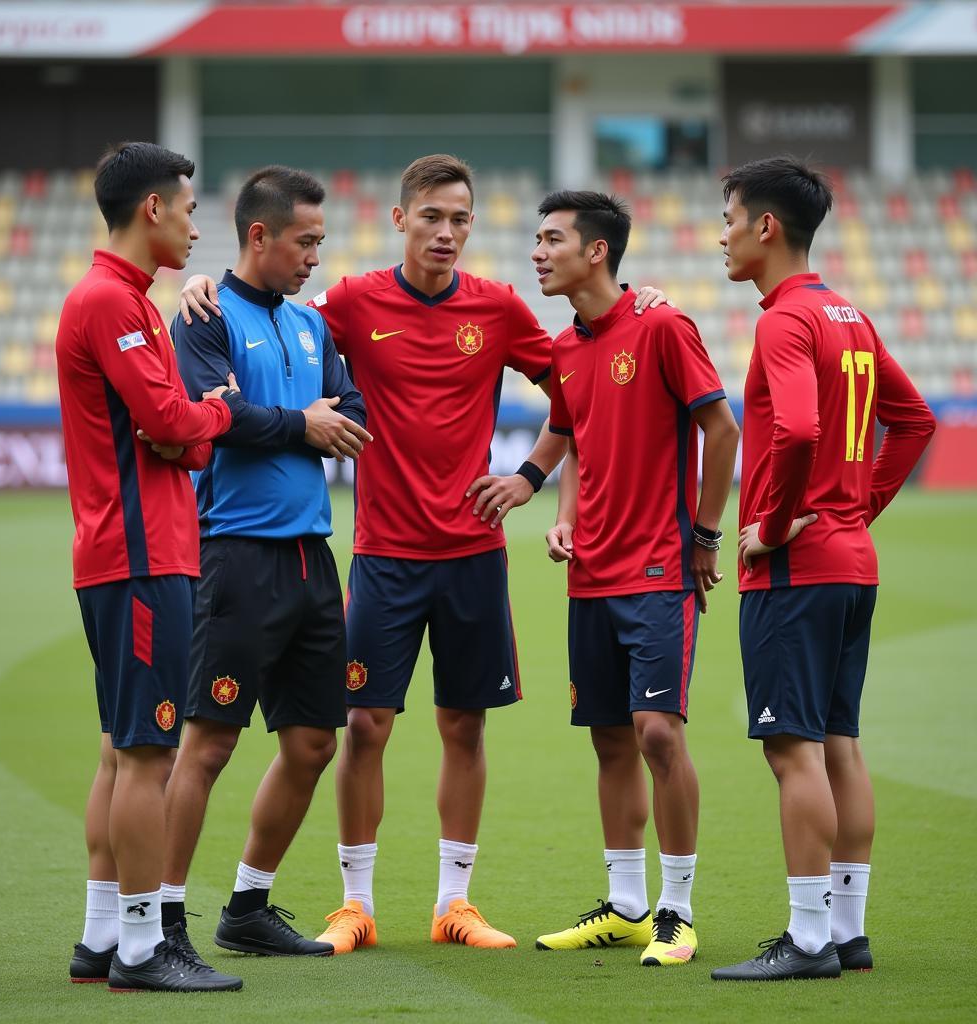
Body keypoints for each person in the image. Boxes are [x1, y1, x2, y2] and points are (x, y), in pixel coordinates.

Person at [179, 154, 668, 952]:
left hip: (473, 553)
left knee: (463, 728)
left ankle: (454, 904)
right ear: (400, 219)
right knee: (364, 725)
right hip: (383, 555)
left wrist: (528, 477)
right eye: (433, 216)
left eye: (461, 219)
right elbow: (263, 302)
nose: (447, 232)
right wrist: (201, 285)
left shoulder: (501, 309)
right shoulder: (349, 303)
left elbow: (577, 388)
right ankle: (356, 902)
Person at [710, 157, 936, 982]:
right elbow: (913, 422)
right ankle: (849, 931)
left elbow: (799, 429)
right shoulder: (851, 313)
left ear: (766, 227)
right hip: (851, 561)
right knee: (840, 740)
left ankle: (807, 941)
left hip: (796, 571)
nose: (721, 234)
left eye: (729, 218)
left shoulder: (783, 322)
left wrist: (770, 526)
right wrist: (855, 512)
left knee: (791, 751)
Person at [162, 166, 370, 964]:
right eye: (305, 240)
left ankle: (248, 904)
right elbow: (213, 417)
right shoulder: (206, 314)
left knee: (315, 740)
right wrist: (299, 425)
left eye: (320, 240)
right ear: (259, 235)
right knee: (209, 744)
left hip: (311, 557)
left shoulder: (313, 326)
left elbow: (346, 410)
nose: (316, 255)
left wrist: (302, 421)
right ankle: (167, 919)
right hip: (235, 556)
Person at [56, 141, 245, 993]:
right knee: (145, 757)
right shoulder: (114, 303)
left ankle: (102, 936)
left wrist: (183, 428)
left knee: (120, 748)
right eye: (190, 208)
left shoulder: (123, 298)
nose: (197, 225)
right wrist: (217, 409)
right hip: (140, 556)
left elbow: (171, 437)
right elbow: (169, 419)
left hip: (128, 551)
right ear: (152, 210)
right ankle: (142, 948)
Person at [538, 191, 739, 966]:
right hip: (590, 571)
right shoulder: (565, 348)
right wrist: (566, 515)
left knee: (658, 732)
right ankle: (624, 905)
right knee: (609, 739)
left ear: (597, 251)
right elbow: (577, 445)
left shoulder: (662, 325)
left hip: (658, 569)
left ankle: (676, 911)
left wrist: (705, 533)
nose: (538, 251)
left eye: (552, 239)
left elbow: (719, 428)